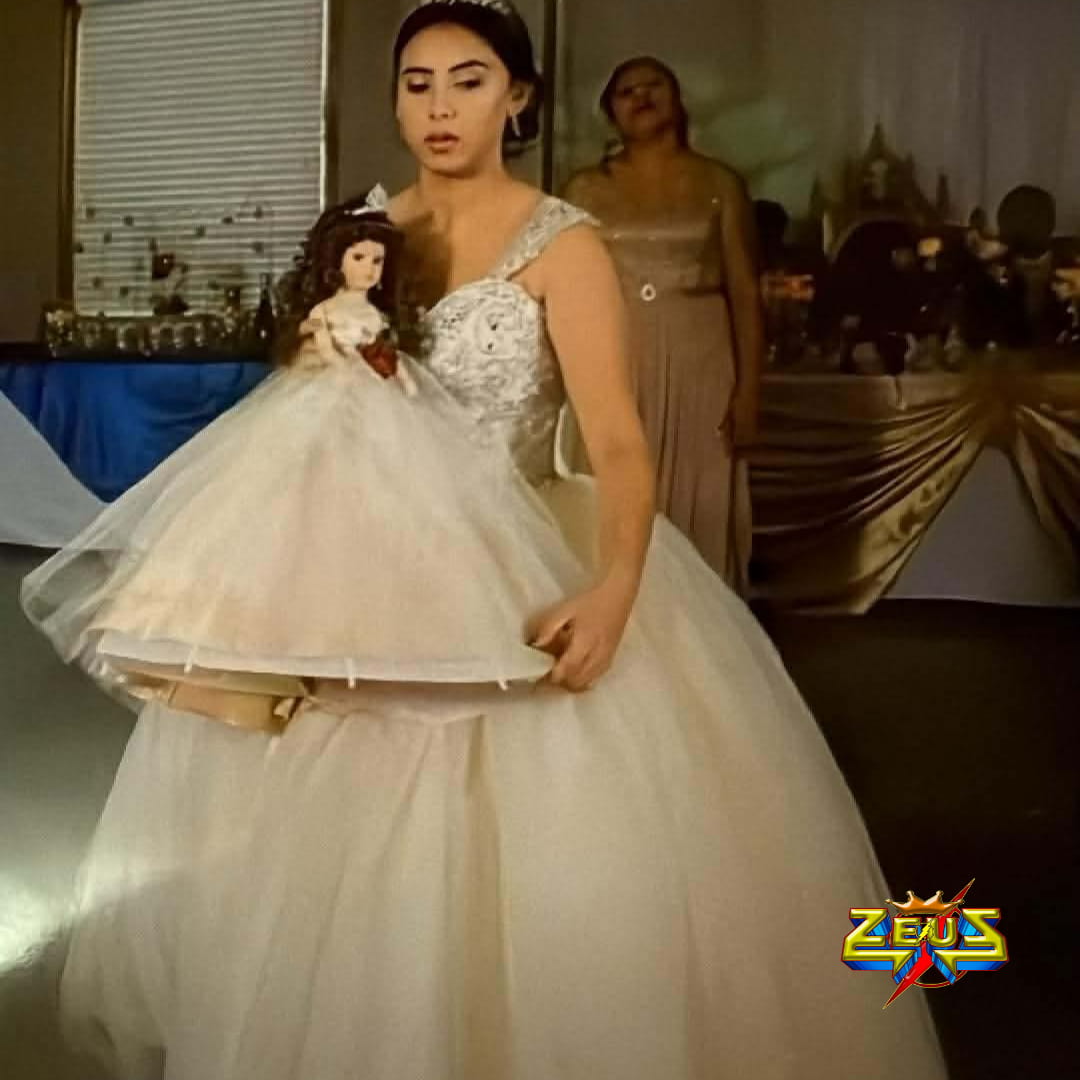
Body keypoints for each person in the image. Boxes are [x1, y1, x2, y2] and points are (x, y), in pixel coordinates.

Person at [26, 2, 948, 1077]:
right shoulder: (367, 232)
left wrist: (614, 589)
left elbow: (617, 439)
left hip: (515, 556)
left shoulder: (564, 242)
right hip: (366, 565)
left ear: (517, 99)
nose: (441, 107)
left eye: (468, 81)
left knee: (537, 857)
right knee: (327, 858)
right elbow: (313, 400)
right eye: (417, 84)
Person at [563, 56, 763, 589]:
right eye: (626, 91)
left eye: (654, 85)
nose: (642, 97)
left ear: (677, 99)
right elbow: (563, 284)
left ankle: (703, 624)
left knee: (698, 489)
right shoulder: (583, 189)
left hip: (701, 358)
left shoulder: (720, 183)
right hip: (613, 353)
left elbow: (745, 292)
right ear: (610, 112)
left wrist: (749, 390)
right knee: (610, 485)